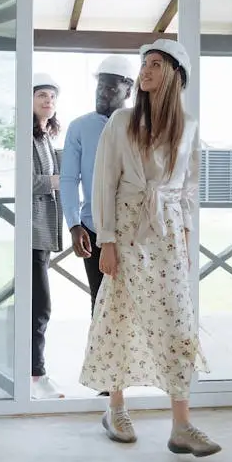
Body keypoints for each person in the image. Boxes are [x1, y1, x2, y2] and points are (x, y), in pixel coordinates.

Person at [79, 39, 221, 457]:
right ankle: (116, 407)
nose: (145, 71)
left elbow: (190, 188)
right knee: (121, 317)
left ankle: (181, 424)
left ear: (174, 74)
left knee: (178, 323)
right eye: (144, 64)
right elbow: (103, 182)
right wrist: (106, 239)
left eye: (155, 64)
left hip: (169, 234)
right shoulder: (121, 122)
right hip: (126, 233)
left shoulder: (189, 125)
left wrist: (186, 236)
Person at [59, 56, 136, 316]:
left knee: (134, 304)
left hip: (134, 229)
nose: (102, 93)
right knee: (101, 303)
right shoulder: (79, 127)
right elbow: (69, 178)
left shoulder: (140, 124)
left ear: (129, 88)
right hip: (93, 229)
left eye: (111, 87)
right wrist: (73, 223)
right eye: (99, 86)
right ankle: (99, 358)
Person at [31, 72, 65, 400]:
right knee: (40, 306)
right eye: (42, 94)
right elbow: (25, 182)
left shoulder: (45, 138)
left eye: (52, 97)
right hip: (32, 232)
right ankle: (36, 374)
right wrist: (55, 181)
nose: (48, 101)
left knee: (37, 305)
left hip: (43, 232)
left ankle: (33, 372)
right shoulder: (28, 138)